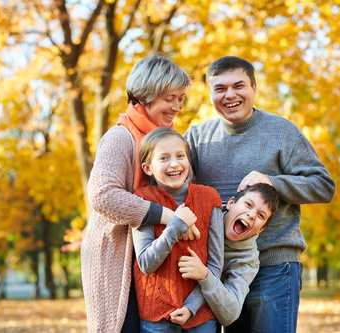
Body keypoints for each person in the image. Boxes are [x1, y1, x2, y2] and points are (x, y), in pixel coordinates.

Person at [184, 56, 336, 332]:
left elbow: (324, 186)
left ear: (254, 88)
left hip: (274, 267)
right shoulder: (197, 137)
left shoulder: (281, 132)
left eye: (238, 85)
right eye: (220, 89)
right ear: (210, 94)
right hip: (222, 270)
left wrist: (272, 182)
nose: (230, 95)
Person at [81, 54, 193, 333]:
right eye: (170, 98)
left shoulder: (168, 141)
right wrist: (169, 217)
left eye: (181, 98)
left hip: (156, 258)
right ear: (146, 95)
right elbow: (103, 195)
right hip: (117, 259)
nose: (177, 107)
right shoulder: (120, 137)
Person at [132, 127, 224, 332]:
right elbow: (146, 264)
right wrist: (175, 225)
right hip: (156, 315)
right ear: (148, 168)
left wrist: (191, 307)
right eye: (164, 158)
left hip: (201, 314)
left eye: (180, 156)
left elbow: (216, 266)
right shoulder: (142, 200)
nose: (174, 163)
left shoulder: (210, 199)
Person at [177, 183, 279, 328]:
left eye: (260, 215)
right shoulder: (204, 210)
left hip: (201, 316)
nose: (251, 215)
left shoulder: (248, 260)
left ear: (260, 229)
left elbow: (231, 313)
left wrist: (205, 275)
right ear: (231, 203)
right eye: (248, 204)